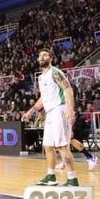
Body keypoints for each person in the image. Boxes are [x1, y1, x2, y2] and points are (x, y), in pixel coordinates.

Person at [23, 49, 79, 186]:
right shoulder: (41, 77)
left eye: (45, 55)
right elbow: (43, 98)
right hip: (50, 113)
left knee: (61, 146)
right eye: (40, 55)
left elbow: (68, 89)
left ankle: (72, 179)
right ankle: (50, 176)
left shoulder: (55, 72)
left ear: (51, 58)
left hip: (60, 110)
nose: (42, 57)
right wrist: (31, 111)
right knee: (47, 146)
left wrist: (70, 110)